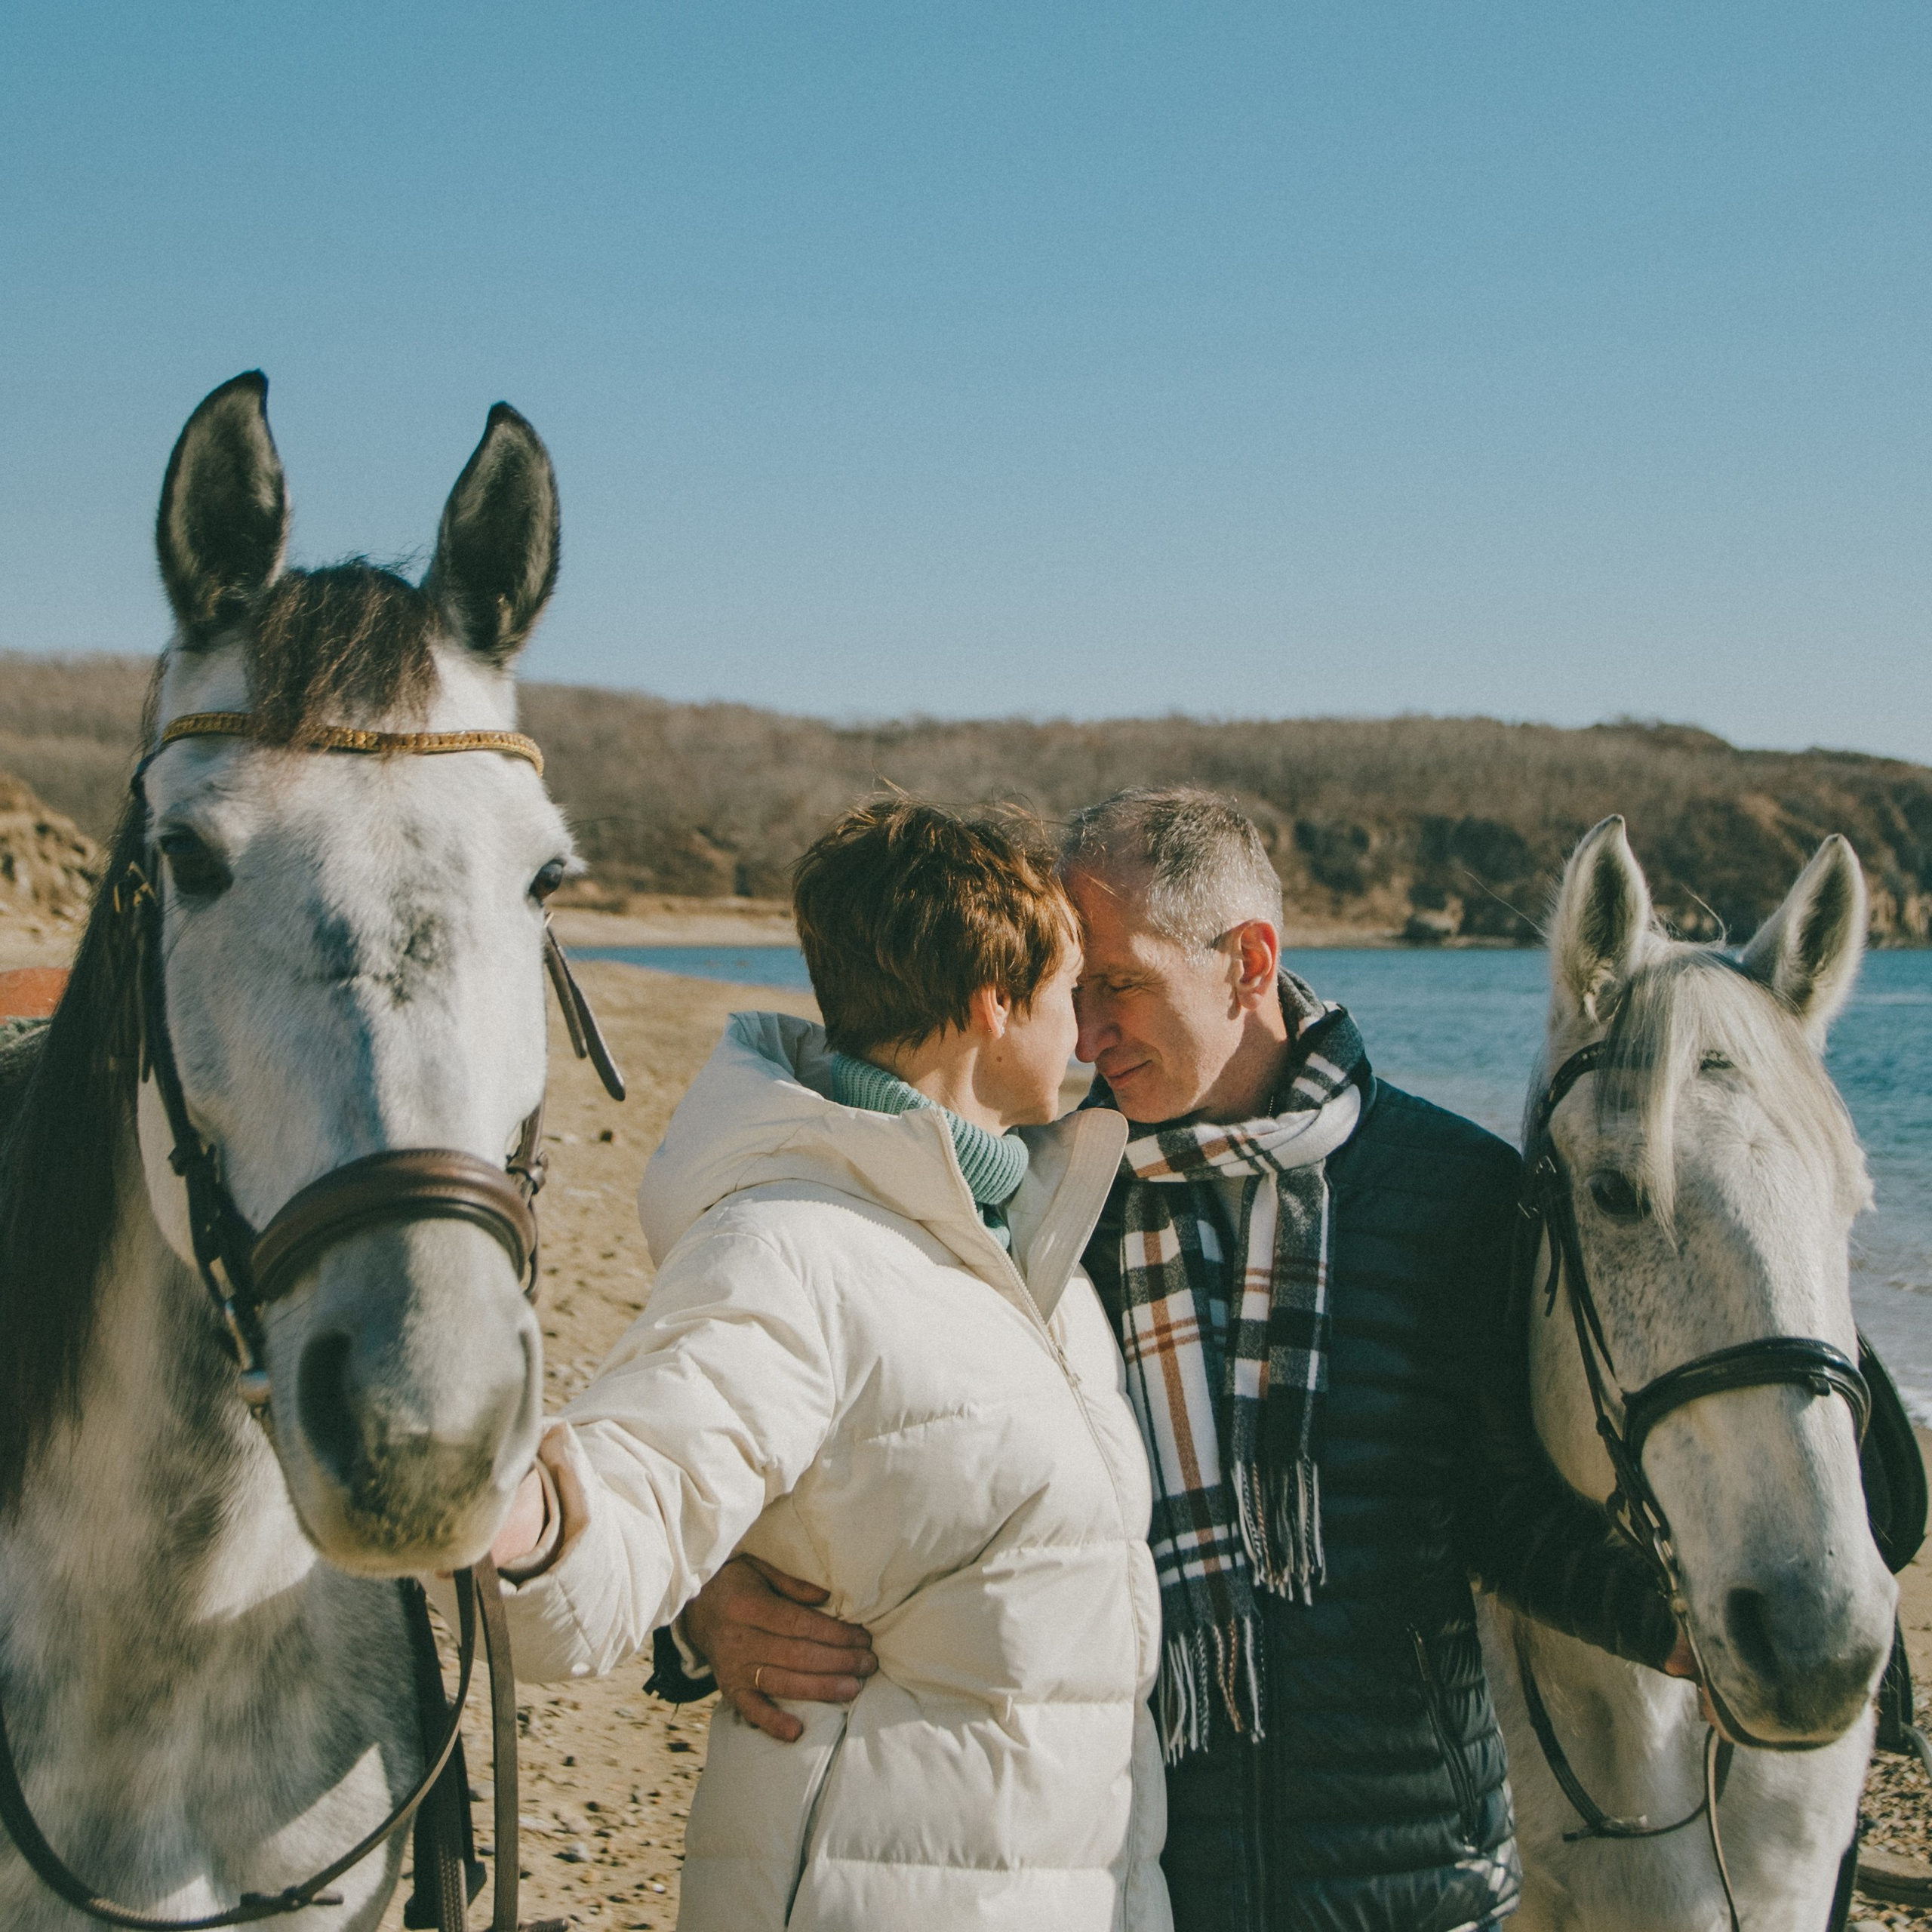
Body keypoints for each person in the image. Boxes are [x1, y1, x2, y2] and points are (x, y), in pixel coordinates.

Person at [672, 787, 1686, 1932]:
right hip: (1126, 1869)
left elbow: (1503, 1509)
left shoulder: (1454, 1193)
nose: (1089, 1033)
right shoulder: (1038, 1197)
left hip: (1415, 1869)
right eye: (1074, 988)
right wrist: (701, 1599)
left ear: (1248, 962)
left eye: (1124, 983)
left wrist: (1678, 1630)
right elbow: (850, 1462)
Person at [485, 798, 1171, 1931]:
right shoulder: (789, 1247)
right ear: (995, 1006)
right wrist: (509, 1510)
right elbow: (633, 1498)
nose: (1089, 1033)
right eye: (1070, 993)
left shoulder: (1026, 1248)